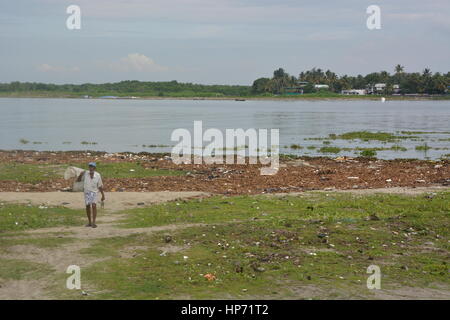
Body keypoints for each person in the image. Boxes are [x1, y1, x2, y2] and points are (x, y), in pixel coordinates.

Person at [77, 162, 105, 228]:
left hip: (94, 192)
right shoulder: (85, 173)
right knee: (87, 206)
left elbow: (100, 186)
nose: (90, 168)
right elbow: (78, 180)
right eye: (90, 167)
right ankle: (89, 222)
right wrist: (80, 175)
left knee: (94, 205)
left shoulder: (98, 175)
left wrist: (103, 195)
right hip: (87, 192)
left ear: (94, 168)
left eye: (92, 167)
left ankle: (94, 222)